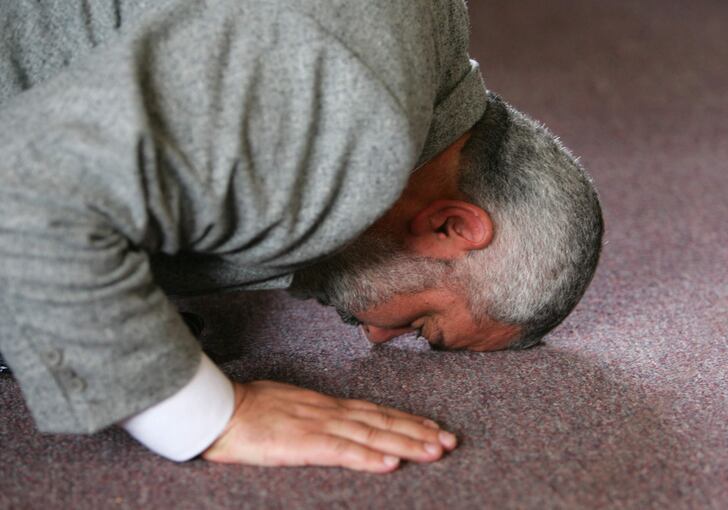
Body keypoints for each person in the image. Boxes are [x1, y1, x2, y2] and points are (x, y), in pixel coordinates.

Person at [0, 0, 603, 472]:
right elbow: (27, 191)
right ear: (453, 226)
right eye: (421, 324)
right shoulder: (350, 121)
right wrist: (212, 415)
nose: (375, 334)